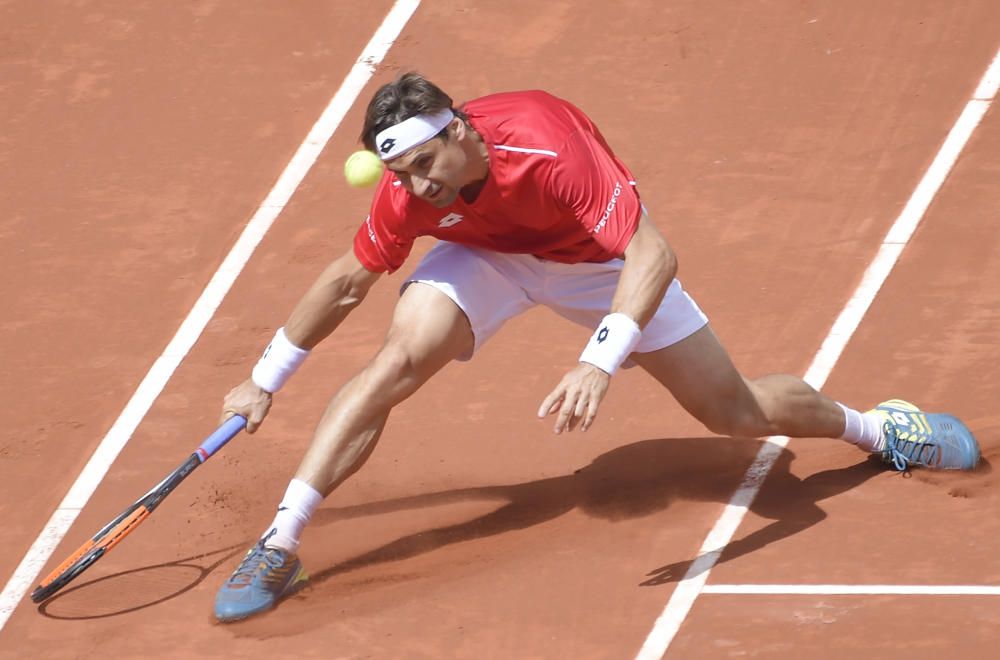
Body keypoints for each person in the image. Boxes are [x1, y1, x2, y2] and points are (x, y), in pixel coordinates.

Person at [212, 72, 981, 622]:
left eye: (424, 166)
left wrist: (598, 358)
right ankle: (281, 541)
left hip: (598, 264)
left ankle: (881, 429)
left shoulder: (546, 146)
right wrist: (264, 378)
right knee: (398, 361)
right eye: (400, 176)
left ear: (460, 132)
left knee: (735, 410)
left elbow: (652, 255)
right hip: (486, 259)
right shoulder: (410, 193)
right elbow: (350, 280)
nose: (415, 189)